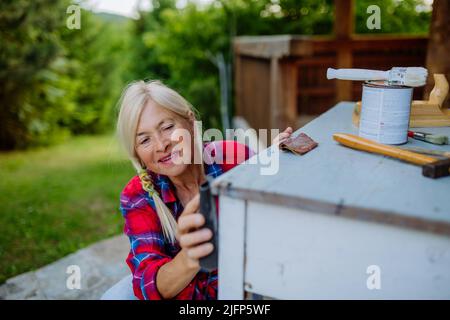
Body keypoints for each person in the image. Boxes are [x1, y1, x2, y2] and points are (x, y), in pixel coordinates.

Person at [116, 80, 292, 300]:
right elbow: (147, 284)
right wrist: (190, 256)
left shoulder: (233, 158)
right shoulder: (138, 195)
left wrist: (276, 168)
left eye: (168, 127)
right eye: (145, 140)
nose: (161, 145)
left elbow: (275, 224)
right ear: (137, 153)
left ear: (190, 122)